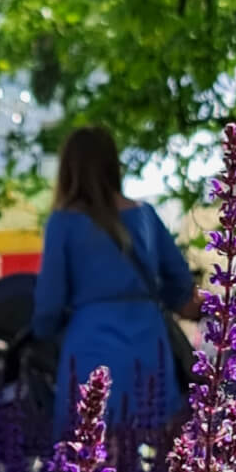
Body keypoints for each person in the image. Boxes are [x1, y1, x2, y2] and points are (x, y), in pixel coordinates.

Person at [31, 126, 199, 436]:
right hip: (149, 345)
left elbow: (48, 304)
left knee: (88, 456)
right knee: (160, 455)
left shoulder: (63, 222)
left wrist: (43, 336)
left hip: (90, 346)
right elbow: (181, 288)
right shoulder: (146, 215)